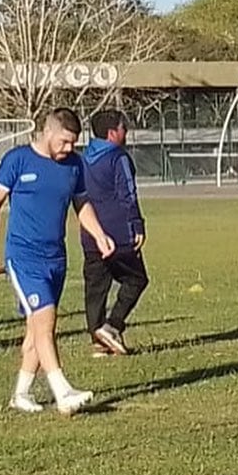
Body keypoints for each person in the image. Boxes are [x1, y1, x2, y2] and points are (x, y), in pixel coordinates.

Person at [0, 107, 115, 416]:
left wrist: (98, 234)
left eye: (73, 143)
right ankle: (62, 391)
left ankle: (21, 394)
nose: (69, 149)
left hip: (56, 257)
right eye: (65, 142)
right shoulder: (17, 160)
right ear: (48, 132)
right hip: (23, 256)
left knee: (36, 330)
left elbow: (81, 204)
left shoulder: (74, 165)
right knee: (46, 320)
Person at [80, 110, 149, 357]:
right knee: (136, 279)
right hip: (118, 233)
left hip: (89, 233)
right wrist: (137, 223)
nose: (126, 133)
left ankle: (99, 342)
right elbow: (127, 193)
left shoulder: (82, 158)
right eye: (124, 129)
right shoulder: (118, 157)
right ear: (112, 133)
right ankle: (113, 326)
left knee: (96, 286)